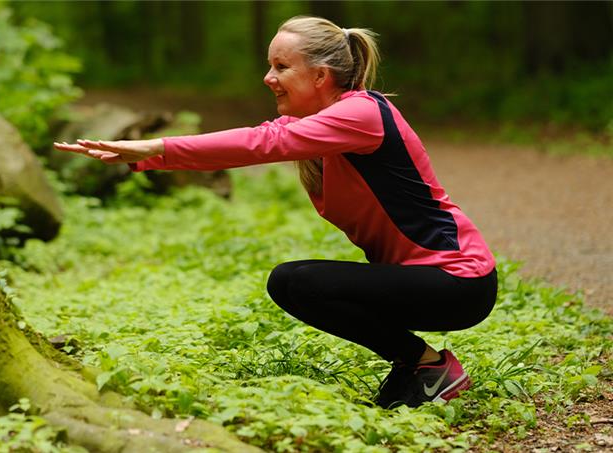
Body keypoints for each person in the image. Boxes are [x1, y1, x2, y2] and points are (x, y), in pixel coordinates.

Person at [54, 16, 497, 409]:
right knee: (295, 283)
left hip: (459, 280)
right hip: (427, 281)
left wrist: (154, 145)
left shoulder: (362, 113)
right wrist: (144, 157)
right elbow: (256, 138)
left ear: (321, 75)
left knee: (296, 281)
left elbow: (261, 144)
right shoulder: (318, 125)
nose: (268, 78)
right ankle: (420, 367)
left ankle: (428, 367)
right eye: (270, 66)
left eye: (282, 67)